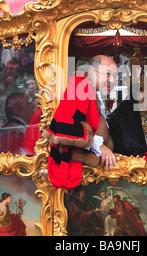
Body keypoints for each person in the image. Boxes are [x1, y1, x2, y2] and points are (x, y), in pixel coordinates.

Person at [42, 55, 118, 189]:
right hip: (75, 170)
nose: (112, 80)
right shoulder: (80, 85)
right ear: (93, 73)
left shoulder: (95, 93)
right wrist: (99, 146)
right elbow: (65, 125)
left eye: (115, 76)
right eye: (107, 74)